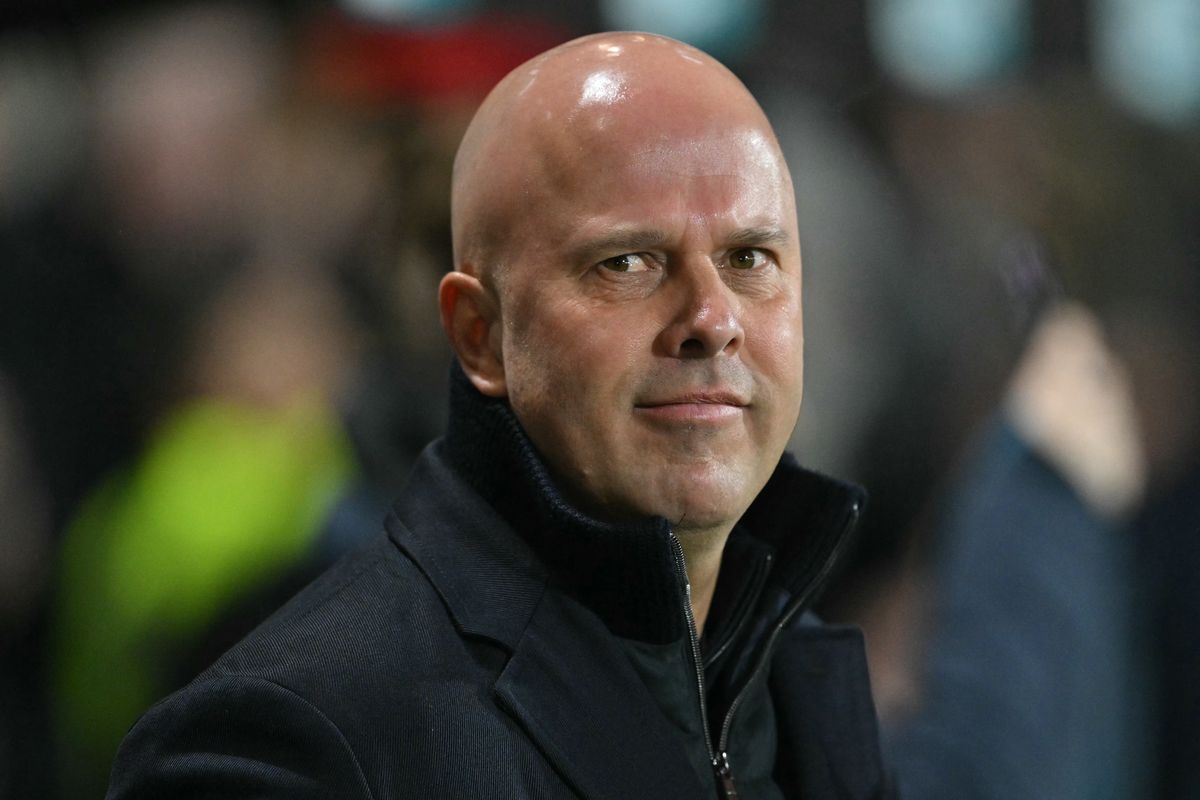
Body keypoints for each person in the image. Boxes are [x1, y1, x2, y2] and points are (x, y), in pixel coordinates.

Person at [107, 32, 891, 799]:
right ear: (480, 336)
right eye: (626, 262)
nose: (712, 318)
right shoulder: (293, 740)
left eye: (750, 258)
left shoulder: (800, 683)